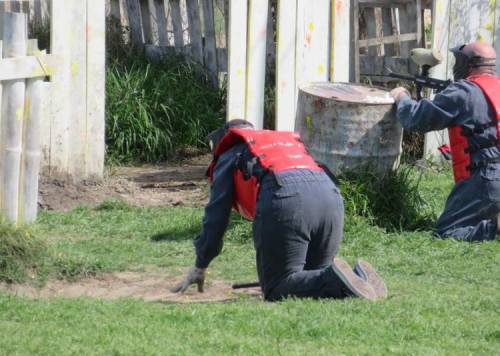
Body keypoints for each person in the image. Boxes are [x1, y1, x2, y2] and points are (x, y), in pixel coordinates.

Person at [171, 120, 387, 301]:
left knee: (276, 287)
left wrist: (200, 265)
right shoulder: (279, 143)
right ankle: (359, 278)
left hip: (286, 196)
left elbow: (215, 219)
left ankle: (335, 279)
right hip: (331, 197)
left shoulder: (230, 154)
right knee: (312, 278)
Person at [391, 41, 500, 242]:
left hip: (485, 179)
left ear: (469, 63)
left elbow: (416, 119)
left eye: (458, 60)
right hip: (492, 177)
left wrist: (402, 97)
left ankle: (492, 230)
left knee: (446, 232)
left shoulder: (463, 92)